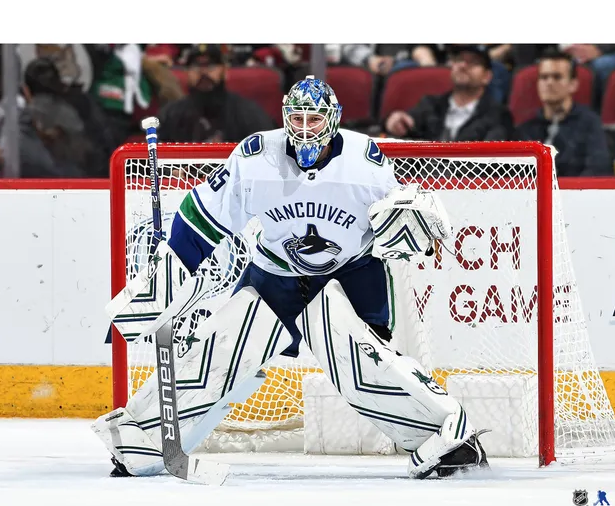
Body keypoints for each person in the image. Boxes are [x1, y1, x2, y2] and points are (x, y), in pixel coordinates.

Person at [95, 76, 489, 482]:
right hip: (275, 274)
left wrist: (411, 229)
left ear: (332, 120)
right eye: (296, 118)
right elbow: (203, 216)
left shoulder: (364, 164)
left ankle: (451, 437)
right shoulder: (255, 158)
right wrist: (160, 287)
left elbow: (395, 226)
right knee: (221, 351)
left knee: (365, 365)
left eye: (314, 120)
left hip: (349, 273)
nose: (304, 129)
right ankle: (142, 439)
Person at [383, 45, 513, 141]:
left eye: (473, 62)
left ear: (487, 76)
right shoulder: (431, 104)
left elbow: (492, 161)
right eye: (458, 60)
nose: (463, 65)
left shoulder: (498, 115)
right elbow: (405, 122)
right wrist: (395, 121)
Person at [514, 49, 612, 177]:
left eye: (557, 77)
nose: (549, 83)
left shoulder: (590, 123)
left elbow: (598, 169)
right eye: (544, 77)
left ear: (573, 84)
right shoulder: (527, 127)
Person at [158, 44, 276, 143]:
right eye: (196, 66)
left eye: (211, 65)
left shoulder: (248, 112)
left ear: (225, 70)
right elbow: (154, 159)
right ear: (186, 72)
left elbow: (266, 151)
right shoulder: (170, 114)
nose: (203, 71)